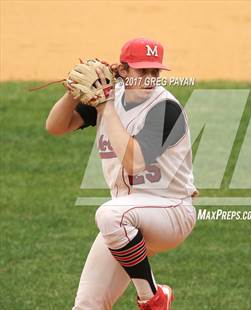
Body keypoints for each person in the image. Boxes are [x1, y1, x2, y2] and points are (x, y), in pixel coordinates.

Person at [45, 37, 198, 310]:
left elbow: (133, 163)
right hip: (127, 222)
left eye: (155, 72)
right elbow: (56, 127)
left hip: (170, 211)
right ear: (124, 70)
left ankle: (152, 298)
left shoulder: (165, 109)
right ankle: (154, 293)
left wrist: (105, 107)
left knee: (110, 214)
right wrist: (72, 93)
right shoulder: (110, 95)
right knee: (87, 305)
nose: (149, 78)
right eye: (142, 71)